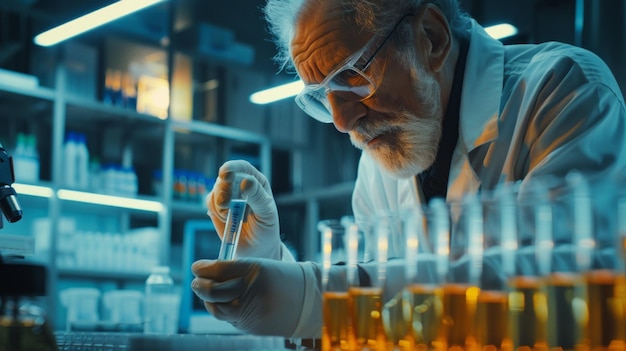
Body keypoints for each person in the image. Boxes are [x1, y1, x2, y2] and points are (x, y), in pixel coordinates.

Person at [191, 0, 626, 339]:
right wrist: (270, 259)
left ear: (432, 38)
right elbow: (373, 317)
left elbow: (576, 282)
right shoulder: (378, 164)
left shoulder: (560, 90)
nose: (342, 121)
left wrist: (310, 296)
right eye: (322, 96)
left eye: (352, 77)